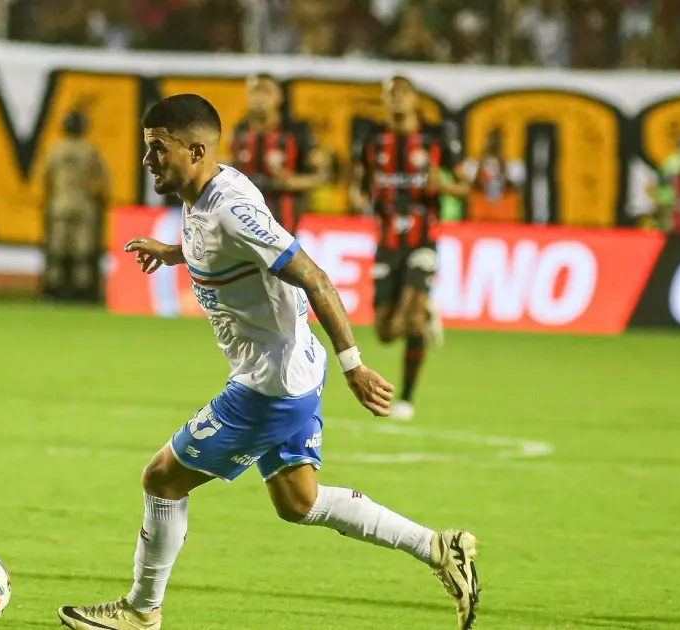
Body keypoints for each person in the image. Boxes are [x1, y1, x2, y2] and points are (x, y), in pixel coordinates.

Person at [56, 94, 480, 630]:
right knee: (298, 501)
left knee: (162, 478)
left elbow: (316, 277)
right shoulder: (203, 191)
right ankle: (440, 548)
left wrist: (355, 365)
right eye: (147, 149)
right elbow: (219, 242)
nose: (148, 161)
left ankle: (140, 611)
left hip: (268, 384)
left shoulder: (233, 208)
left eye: (158, 150)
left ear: (196, 148)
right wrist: (174, 251)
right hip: (294, 366)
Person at [351, 75, 469, 422]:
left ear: (415, 99)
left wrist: (443, 184)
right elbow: (360, 183)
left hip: (422, 238)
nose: (396, 99)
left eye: (402, 93)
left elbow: (465, 185)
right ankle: (425, 312)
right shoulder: (372, 140)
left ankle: (405, 398)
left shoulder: (436, 138)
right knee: (386, 332)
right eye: (389, 94)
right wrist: (357, 196)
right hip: (386, 241)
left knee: (411, 320)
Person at [227, 73, 328, 233]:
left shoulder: (298, 131)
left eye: (265, 92)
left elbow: (322, 175)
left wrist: (294, 182)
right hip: (244, 223)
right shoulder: (239, 130)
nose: (258, 98)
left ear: (279, 97)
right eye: (253, 91)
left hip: (284, 225)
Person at [42, 109, 109, 301]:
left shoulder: (56, 150)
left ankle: (53, 291)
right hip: (84, 206)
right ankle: (83, 293)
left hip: (59, 205)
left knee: (56, 251)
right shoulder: (90, 150)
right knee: (83, 253)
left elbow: (46, 179)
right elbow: (102, 181)